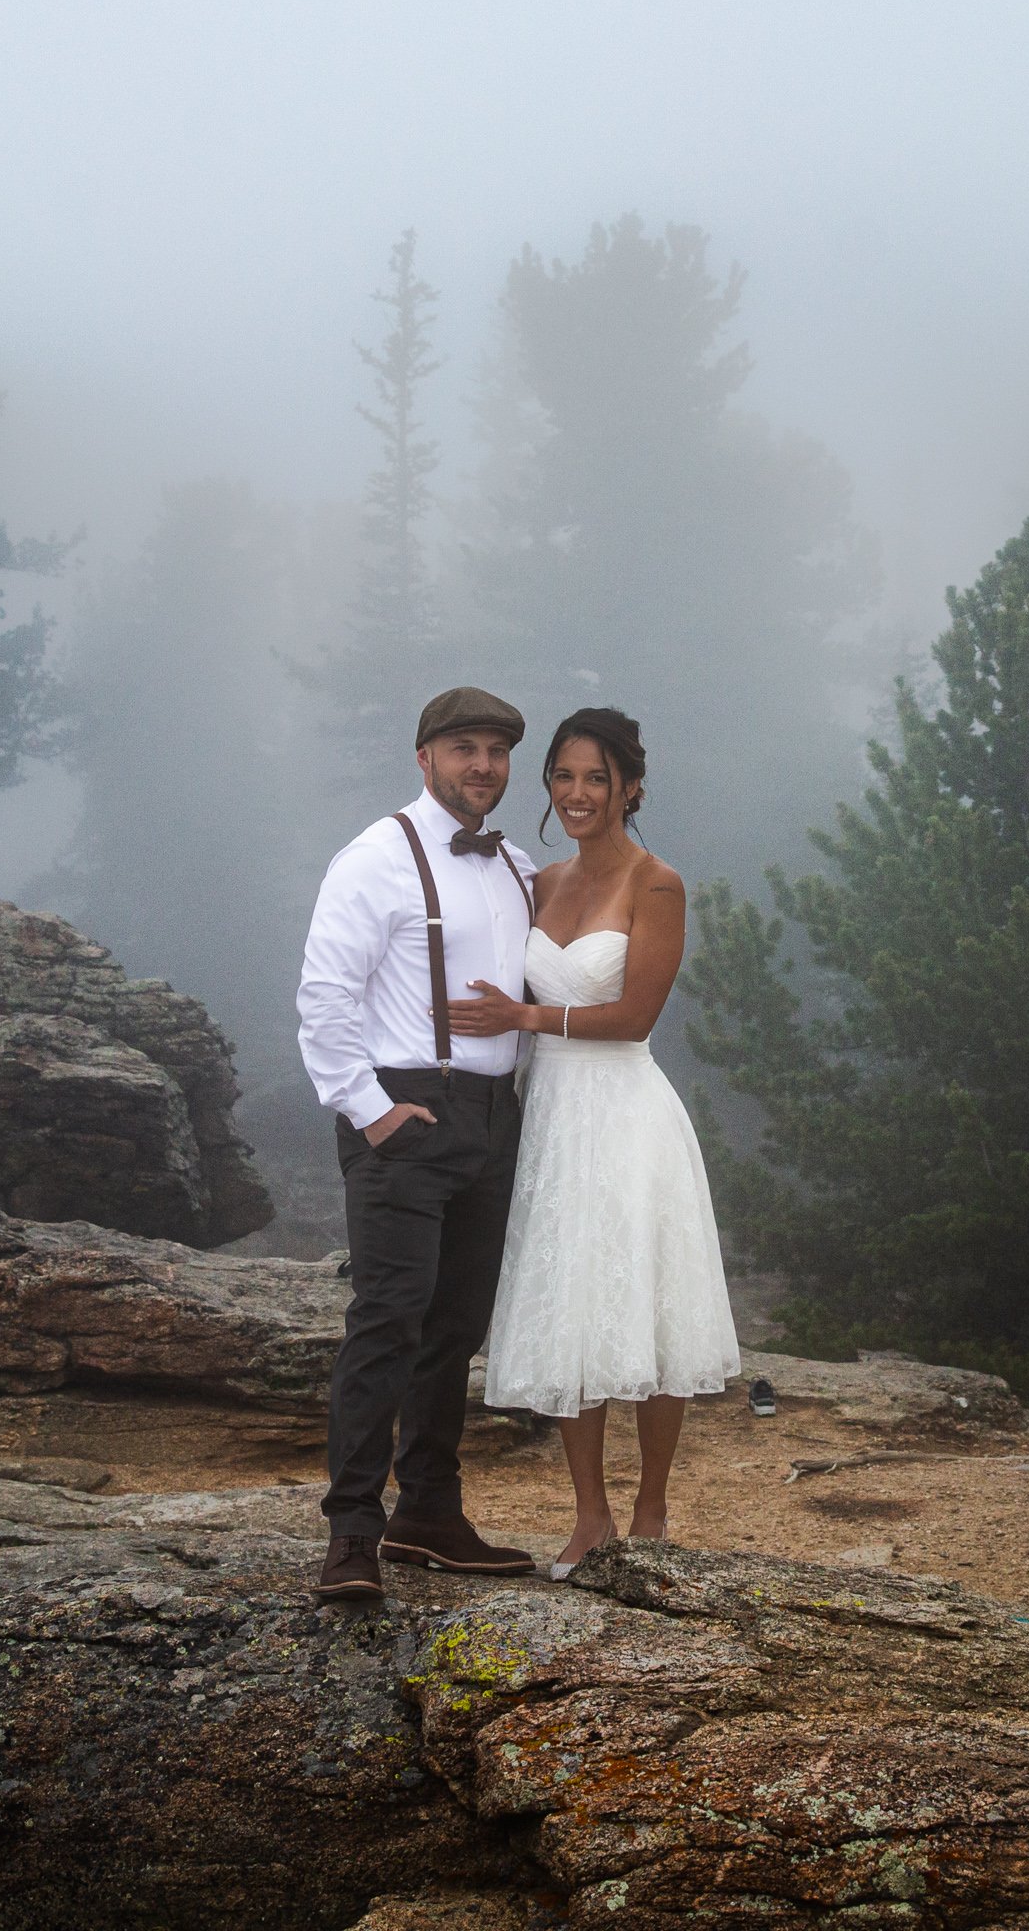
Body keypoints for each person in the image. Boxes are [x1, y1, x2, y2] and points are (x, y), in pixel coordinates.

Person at [463, 707, 740, 1576]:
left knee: (648, 1308)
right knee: (569, 1305)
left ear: (630, 786)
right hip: (551, 1120)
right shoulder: (540, 884)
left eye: (595, 779)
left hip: (625, 1115)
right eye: (562, 777)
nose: (577, 794)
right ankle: (589, 1515)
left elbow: (633, 1016)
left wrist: (526, 1015)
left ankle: (652, 1508)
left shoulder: (656, 884)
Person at [296, 686, 541, 1600]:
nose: (483, 765)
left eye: (498, 751)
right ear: (424, 757)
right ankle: (353, 1533)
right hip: (406, 1111)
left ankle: (430, 1512)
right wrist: (369, 1109)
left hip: (492, 1115)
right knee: (389, 1320)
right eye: (464, 748)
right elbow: (325, 995)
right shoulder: (373, 858)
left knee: (457, 1327)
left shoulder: (516, 864)